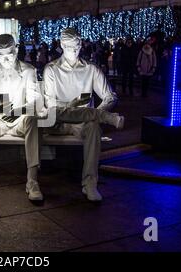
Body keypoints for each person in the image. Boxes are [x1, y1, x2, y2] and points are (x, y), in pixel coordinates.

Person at [43, 28, 125, 202]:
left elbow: (110, 96)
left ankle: (90, 183)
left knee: (93, 126)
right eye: (71, 47)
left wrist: (95, 114)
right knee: (59, 111)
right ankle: (103, 117)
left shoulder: (91, 69)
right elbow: (51, 105)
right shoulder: (51, 69)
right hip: (58, 121)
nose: (75, 50)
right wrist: (79, 110)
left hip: (83, 124)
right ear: (62, 45)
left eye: (78, 46)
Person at [0, 34, 44, 204]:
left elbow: (36, 101)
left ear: (16, 50)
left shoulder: (29, 71)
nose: (6, 59)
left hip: (20, 119)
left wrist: (19, 111)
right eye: (1, 55)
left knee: (33, 120)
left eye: (9, 54)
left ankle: (32, 180)